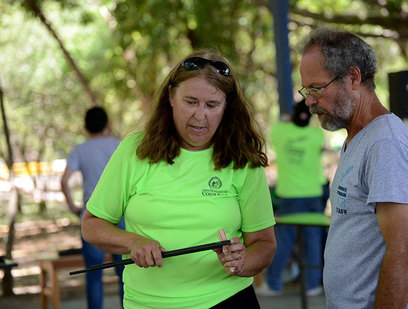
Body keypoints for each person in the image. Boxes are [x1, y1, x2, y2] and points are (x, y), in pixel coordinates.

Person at [81, 51, 277, 308]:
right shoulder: (134, 150)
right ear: (171, 96)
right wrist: (133, 242)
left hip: (227, 299)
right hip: (148, 303)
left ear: (227, 106)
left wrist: (242, 262)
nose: (200, 116)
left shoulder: (242, 158)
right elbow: (92, 225)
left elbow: (263, 244)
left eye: (211, 105)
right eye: (191, 102)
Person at [297, 27, 408, 308]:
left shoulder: (386, 145)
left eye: (316, 88)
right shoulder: (358, 137)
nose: (309, 100)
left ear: (353, 77)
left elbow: (405, 253)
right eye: (306, 89)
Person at [258, 100, 326, 297]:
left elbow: (283, 120)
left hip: (290, 196)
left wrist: (289, 117)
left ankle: (273, 284)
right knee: (312, 241)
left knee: (284, 241)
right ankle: (313, 285)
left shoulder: (280, 131)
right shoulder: (316, 135)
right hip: (313, 194)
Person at [61, 106, 124, 309]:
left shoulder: (79, 150)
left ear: (85, 127)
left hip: (92, 216)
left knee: (93, 274)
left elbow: (64, 181)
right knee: (125, 273)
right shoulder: (120, 145)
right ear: (107, 125)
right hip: (121, 214)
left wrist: (73, 207)